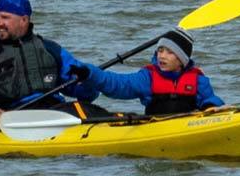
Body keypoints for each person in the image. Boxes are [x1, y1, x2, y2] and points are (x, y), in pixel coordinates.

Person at [0, 0, 98, 131]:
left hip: (55, 115)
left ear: (24, 20)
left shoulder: (51, 50)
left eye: (5, 17)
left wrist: (86, 83)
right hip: (12, 123)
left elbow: (87, 94)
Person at [83, 27, 225, 115]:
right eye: (160, 50)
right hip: (155, 127)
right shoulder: (148, 77)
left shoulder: (198, 79)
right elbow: (118, 84)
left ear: (182, 60)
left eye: (170, 52)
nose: (162, 56)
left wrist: (210, 107)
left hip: (186, 127)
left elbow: (210, 99)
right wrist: (90, 74)